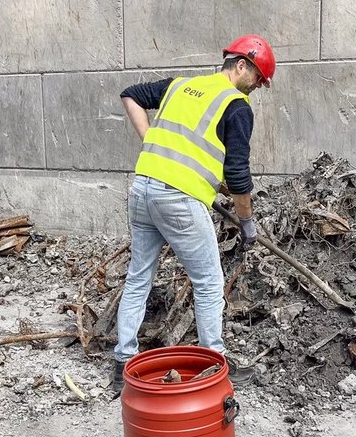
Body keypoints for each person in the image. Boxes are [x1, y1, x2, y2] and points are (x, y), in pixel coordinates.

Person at [112, 34, 276, 395]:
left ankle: (123, 360)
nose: (258, 87)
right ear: (241, 65)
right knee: (209, 283)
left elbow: (130, 94)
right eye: (258, 78)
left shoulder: (180, 86)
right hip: (178, 200)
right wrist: (247, 222)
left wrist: (150, 141)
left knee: (138, 277)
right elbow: (238, 175)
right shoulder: (236, 106)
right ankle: (214, 365)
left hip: (142, 191)